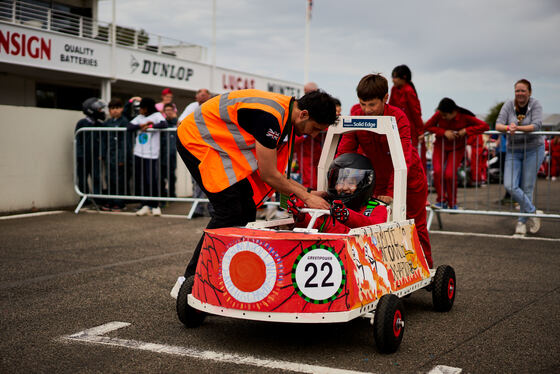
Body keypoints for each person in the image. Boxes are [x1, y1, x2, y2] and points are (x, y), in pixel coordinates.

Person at [175, 89, 337, 279]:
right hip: (196, 140)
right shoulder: (271, 118)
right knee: (229, 211)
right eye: (316, 128)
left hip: (218, 146)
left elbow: (273, 173)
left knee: (246, 209)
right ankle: (193, 279)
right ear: (304, 114)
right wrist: (307, 196)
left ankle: (227, 274)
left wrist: (307, 191)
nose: (314, 135)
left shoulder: (284, 111)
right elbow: (269, 174)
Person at [337, 73, 433, 268]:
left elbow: (404, 157)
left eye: (372, 105)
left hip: (408, 179)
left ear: (385, 98)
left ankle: (425, 268)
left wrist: (391, 192)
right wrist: (339, 180)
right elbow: (345, 150)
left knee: (415, 226)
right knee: (376, 226)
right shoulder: (356, 115)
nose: (367, 110)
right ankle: (387, 270)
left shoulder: (399, 117)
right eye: (363, 104)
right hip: (377, 181)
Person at [287, 153, 387, 233]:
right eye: (339, 182)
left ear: (367, 182)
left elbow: (374, 227)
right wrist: (301, 216)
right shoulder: (327, 206)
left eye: (351, 182)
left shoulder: (378, 209)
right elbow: (314, 225)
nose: (343, 187)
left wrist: (347, 215)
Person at [496, 79, 545, 236]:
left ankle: (522, 223)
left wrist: (517, 128)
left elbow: (536, 125)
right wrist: (507, 127)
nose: (520, 94)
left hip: (533, 149)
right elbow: (498, 125)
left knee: (527, 187)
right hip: (513, 150)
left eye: (523, 90)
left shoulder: (535, 104)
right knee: (510, 185)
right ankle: (532, 212)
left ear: (529, 92)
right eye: (517, 91)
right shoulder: (508, 105)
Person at [424, 98, 489, 209]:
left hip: (457, 148)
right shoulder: (439, 114)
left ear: (454, 112)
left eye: (445, 115)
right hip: (440, 146)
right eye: (441, 115)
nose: (442, 117)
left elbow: (485, 126)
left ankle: (452, 202)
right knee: (437, 172)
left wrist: (467, 131)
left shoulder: (465, 117)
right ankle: (441, 200)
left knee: (449, 174)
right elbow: (427, 126)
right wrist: (443, 132)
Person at [127, 97, 169, 216]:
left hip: (151, 155)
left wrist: (150, 126)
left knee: (152, 180)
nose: (140, 110)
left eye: (142, 108)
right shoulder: (140, 118)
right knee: (142, 180)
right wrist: (142, 125)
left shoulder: (156, 115)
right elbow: (129, 127)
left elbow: (164, 124)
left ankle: (155, 205)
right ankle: (145, 204)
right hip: (139, 153)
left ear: (147, 108)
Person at [178, 88, 213, 217]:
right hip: (195, 149)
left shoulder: (213, 106)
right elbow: (180, 123)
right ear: (196, 97)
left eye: (205, 94)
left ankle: (213, 209)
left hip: (210, 149)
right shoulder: (191, 107)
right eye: (200, 94)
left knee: (213, 180)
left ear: (209, 96)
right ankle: (197, 208)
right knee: (196, 179)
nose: (202, 96)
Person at [389, 65, 427, 170]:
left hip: (411, 131)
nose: (393, 80)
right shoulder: (394, 89)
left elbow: (416, 113)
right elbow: (390, 107)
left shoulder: (409, 91)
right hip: (397, 128)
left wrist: (420, 132)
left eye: (395, 77)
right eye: (392, 77)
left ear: (404, 77)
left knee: (410, 157)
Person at [101, 98, 131, 211]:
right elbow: (103, 139)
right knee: (109, 178)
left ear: (122, 109)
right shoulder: (107, 123)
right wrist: (102, 154)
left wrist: (122, 158)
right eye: (112, 108)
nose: (114, 111)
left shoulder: (124, 122)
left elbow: (126, 142)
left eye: (117, 108)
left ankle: (120, 202)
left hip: (120, 155)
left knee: (120, 180)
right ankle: (110, 200)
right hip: (109, 155)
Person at [75, 97, 106, 206]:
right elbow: (77, 140)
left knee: (97, 177)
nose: (101, 112)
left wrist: (101, 154)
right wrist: (80, 154)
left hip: (96, 156)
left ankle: (98, 198)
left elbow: (102, 141)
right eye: (99, 110)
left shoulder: (100, 124)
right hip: (83, 156)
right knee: (82, 177)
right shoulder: (81, 123)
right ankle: (84, 198)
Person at [160, 103, 179, 198]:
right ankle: (163, 195)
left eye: (170, 110)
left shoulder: (177, 123)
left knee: (171, 176)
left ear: (173, 111)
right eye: (166, 110)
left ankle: (172, 195)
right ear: (164, 112)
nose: (168, 112)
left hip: (172, 155)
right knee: (161, 176)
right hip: (162, 155)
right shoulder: (162, 123)